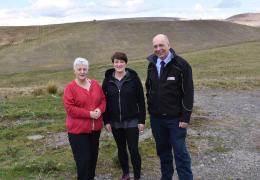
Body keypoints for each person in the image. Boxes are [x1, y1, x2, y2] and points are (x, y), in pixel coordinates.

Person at [145, 34, 194, 180]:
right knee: (163, 152)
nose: (158, 49)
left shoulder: (181, 65)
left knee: (180, 153)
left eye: (161, 45)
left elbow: (188, 93)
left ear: (169, 45)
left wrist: (185, 117)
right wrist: (151, 109)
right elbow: (149, 89)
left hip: (176, 119)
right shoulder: (151, 65)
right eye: (155, 46)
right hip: (157, 119)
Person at [102, 52, 146, 180]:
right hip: (115, 121)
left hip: (132, 120)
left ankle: (137, 176)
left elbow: (141, 101)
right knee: (121, 149)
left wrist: (141, 120)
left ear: (126, 63)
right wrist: (106, 121)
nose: (119, 64)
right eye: (116, 62)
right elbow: (103, 100)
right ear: (113, 64)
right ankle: (125, 174)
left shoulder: (133, 79)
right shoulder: (108, 80)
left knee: (133, 149)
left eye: (121, 61)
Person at [63, 57, 106, 180]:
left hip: (95, 129)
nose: (82, 72)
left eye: (84, 69)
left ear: (88, 70)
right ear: (74, 71)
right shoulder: (70, 88)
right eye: (79, 69)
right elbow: (70, 109)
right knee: (83, 161)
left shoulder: (95, 84)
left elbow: (103, 100)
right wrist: (89, 114)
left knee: (93, 159)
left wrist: (100, 109)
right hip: (77, 131)